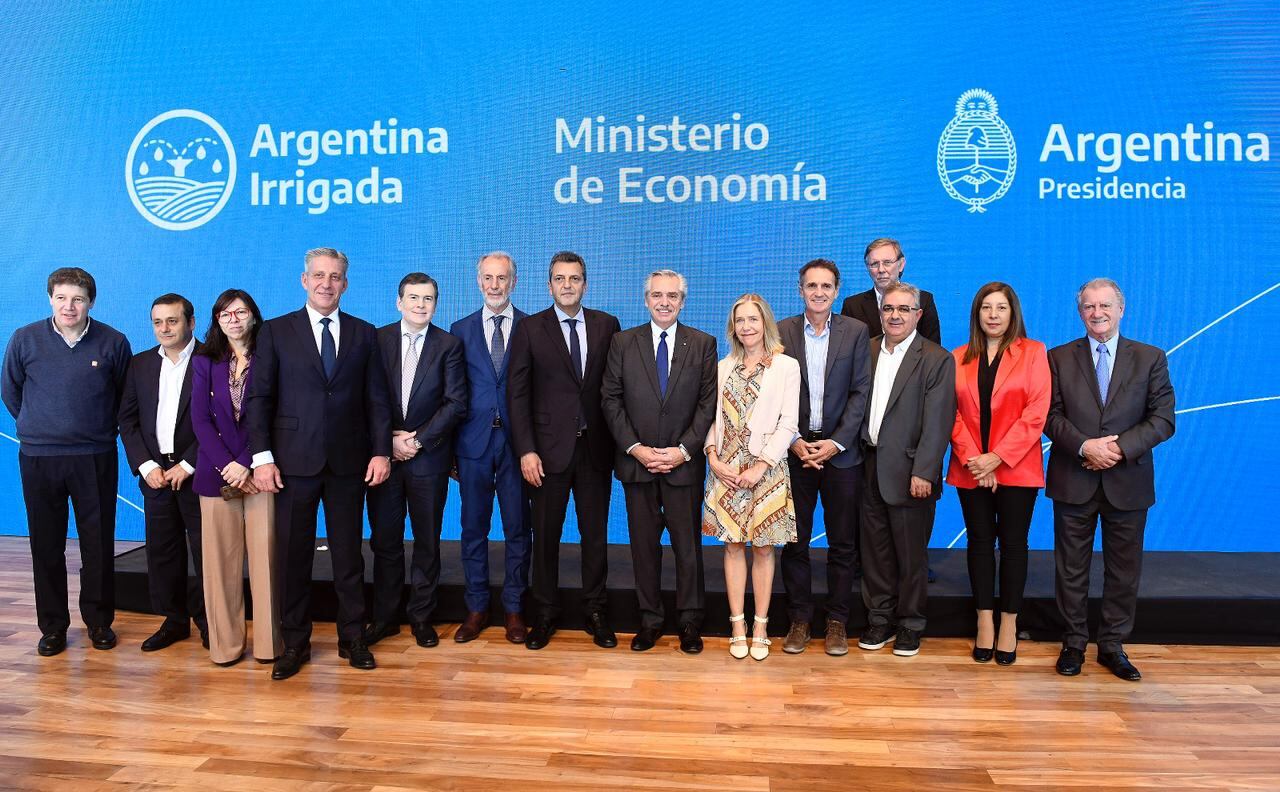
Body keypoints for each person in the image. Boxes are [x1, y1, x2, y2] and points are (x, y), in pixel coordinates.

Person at [247, 248, 392, 680]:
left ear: (345, 284)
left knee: (348, 556)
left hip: (350, 463)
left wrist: (381, 450)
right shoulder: (275, 331)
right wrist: (262, 458)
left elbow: (377, 399)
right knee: (294, 557)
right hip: (292, 464)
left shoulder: (365, 334)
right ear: (304, 280)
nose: (326, 283)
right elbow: (260, 399)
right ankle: (295, 644)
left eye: (335, 276)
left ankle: (353, 638)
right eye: (318, 276)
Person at [1045, 278, 1175, 682]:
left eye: (1104, 306)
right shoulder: (1058, 357)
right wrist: (1086, 447)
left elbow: (1163, 418)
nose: (1096, 313)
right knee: (1070, 568)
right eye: (1088, 306)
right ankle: (1074, 642)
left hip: (1128, 479)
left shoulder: (1151, 357)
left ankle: (1113, 645)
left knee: (1123, 569)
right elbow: (1049, 416)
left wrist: (1116, 450)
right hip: (1074, 475)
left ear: (1121, 309)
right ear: (1079, 312)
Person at [2, 267, 131, 656]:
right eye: (61, 297)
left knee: (97, 544)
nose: (69, 306)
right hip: (39, 458)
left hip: (94, 457)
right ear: (50, 299)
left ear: (90, 301)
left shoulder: (113, 341)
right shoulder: (25, 339)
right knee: (46, 545)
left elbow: (125, 398)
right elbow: (11, 393)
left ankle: (98, 622)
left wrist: (97, 431)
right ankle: (53, 627)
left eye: (77, 298)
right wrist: (38, 426)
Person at [507, 251, 621, 651]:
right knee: (546, 539)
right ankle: (544, 614)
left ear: (585, 284)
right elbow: (516, 395)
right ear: (549, 285)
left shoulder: (608, 325)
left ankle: (595, 611)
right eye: (560, 278)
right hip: (546, 455)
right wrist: (526, 450)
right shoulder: (529, 328)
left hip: (595, 452)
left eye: (574, 278)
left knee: (595, 537)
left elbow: (613, 390)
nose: (567, 285)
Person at [601, 269, 717, 653]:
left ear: (683, 301)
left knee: (688, 550)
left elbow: (707, 405)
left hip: (683, 466)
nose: (664, 302)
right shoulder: (622, 342)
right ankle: (649, 622)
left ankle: (690, 623)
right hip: (638, 464)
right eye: (657, 295)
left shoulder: (702, 344)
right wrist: (636, 448)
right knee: (643, 549)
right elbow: (611, 400)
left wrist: (682, 451)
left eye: (672, 296)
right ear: (646, 299)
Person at [947, 283, 1050, 666]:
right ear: (976, 314)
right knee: (978, 544)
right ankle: (984, 622)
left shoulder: (1035, 353)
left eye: (1001, 308)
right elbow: (951, 414)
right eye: (986, 307)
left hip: (1017, 467)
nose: (993, 314)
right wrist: (977, 459)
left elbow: (1036, 412)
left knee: (1012, 546)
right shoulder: (957, 357)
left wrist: (998, 458)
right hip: (970, 466)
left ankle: (1009, 623)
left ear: (1013, 313)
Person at [364, 273, 467, 649]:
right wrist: (388, 440)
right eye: (413, 297)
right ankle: (386, 618)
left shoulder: (449, 345)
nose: (421, 305)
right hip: (384, 459)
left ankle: (421, 617)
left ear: (436, 304)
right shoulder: (376, 340)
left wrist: (418, 441)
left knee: (427, 542)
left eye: (428, 299)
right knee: (385, 541)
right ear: (399, 301)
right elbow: (366, 398)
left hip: (428, 461)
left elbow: (456, 402)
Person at [857, 282, 955, 658]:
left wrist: (925, 472)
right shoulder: (864, 351)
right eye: (888, 308)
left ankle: (910, 624)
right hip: (868, 466)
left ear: (918, 315)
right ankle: (879, 618)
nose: (894, 315)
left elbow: (939, 422)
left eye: (903, 309)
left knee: (911, 556)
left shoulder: (935, 358)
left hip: (911, 472)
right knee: (875, 552)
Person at [778, 260, 870, 656]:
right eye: (811, 285)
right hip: (794, 451)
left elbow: (860, 393)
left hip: (841, 455)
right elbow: (773, 394)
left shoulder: (856, 331)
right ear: (800, 290)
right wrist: (795, 440)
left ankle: (836, 621)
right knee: (794, 542)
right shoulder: (780, 332)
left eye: (826, 286)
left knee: (843, 544)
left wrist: (836, 443)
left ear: (837, 291)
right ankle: (799, 619)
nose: (818, 292)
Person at [702, 294, 799, 661]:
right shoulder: (722, 366)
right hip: (725, 471)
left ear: (766, 323)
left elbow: (788, 423)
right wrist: (712, 455)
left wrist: (760, 465)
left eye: (753, 320)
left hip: (767, 470)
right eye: (740, 320)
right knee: (732, 547)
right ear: (733, 327)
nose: (747, 327)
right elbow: (711, 416)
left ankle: (761, 625)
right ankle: (737, 625)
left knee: (762, 547)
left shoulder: (786, 366)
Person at [190, 289, 282, 666]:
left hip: (261, 472)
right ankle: (225, 646)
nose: (233, 319)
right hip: (216, 476)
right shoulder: (204, 360)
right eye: (225, 313)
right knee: (219, 568)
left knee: (267, 564)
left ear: (254, 317)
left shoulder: (272, 356)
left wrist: (247, 462)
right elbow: (199, 419)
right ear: (216, 320)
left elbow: (276, 413)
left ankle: (269, 646)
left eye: (240, 312)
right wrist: (227, 464)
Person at [449, 252, 531, 644]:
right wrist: (450, 451)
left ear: (513, 282)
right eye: (488, 278)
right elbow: (450, 394)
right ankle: (477, 607)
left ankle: (514, 608)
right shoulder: (458, 330)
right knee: (472, 529)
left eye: (502, 278)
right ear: (478, 281)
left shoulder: (533, 328)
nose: (495, 285)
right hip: (472, 444)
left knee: (518, 529)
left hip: (518, 445)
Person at [118, 293, 208, 652]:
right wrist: (147, 465)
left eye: (172, 321)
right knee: (162, 551)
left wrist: (188, 464)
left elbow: (222, 421)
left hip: (197, 473)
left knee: (206, 552)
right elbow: (127, 419)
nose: (165, 328)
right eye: (158, 322)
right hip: (155, 474)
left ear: (190, 322)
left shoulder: (212, 360)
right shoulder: (139, 364)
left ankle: (208, 621)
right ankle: (174, 621)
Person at [840, 238, 941, 345]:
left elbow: (933, 351)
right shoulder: (853, 306)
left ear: (901, 264)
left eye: (887, 262)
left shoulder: (923, 300)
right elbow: (846, 350)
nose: (881, 270)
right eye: (874, 264)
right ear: (868, 268)